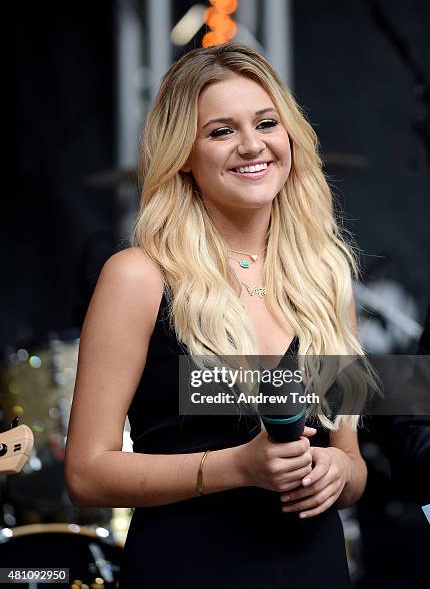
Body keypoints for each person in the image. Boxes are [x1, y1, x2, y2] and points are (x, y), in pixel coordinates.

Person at [65, 43, 372, 588]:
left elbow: (350, 462)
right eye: (221, 131)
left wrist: (340, 472)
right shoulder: (138, 276)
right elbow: (87, 474)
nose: (252, 145)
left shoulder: (327, 276)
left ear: (290, 137)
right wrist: (237, 468)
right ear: (184, 153)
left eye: (266, 123)